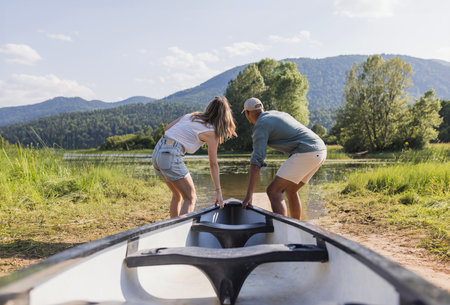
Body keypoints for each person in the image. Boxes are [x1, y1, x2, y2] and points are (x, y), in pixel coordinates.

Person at [241, 97, 326, 219]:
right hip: (320, 149)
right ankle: (296, 227)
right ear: (262, 109)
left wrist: (249, 195)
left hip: (306, 152)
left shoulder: (261, 125)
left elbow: (256, 162)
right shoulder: (276, 114)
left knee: (273, 191)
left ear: (247, 113)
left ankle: (283, 230)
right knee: (291, 190)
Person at [152, 96, 237, 217]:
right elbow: (213, 164)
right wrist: (218, 192)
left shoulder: (191, 116)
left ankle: (174, 231)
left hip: (157, 151)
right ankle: (181, 233)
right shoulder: (212, 132)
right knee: (191, 197)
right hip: (170, 155)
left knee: (177, 195)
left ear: (209, 109)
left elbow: (167, 129)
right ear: (225, 116)